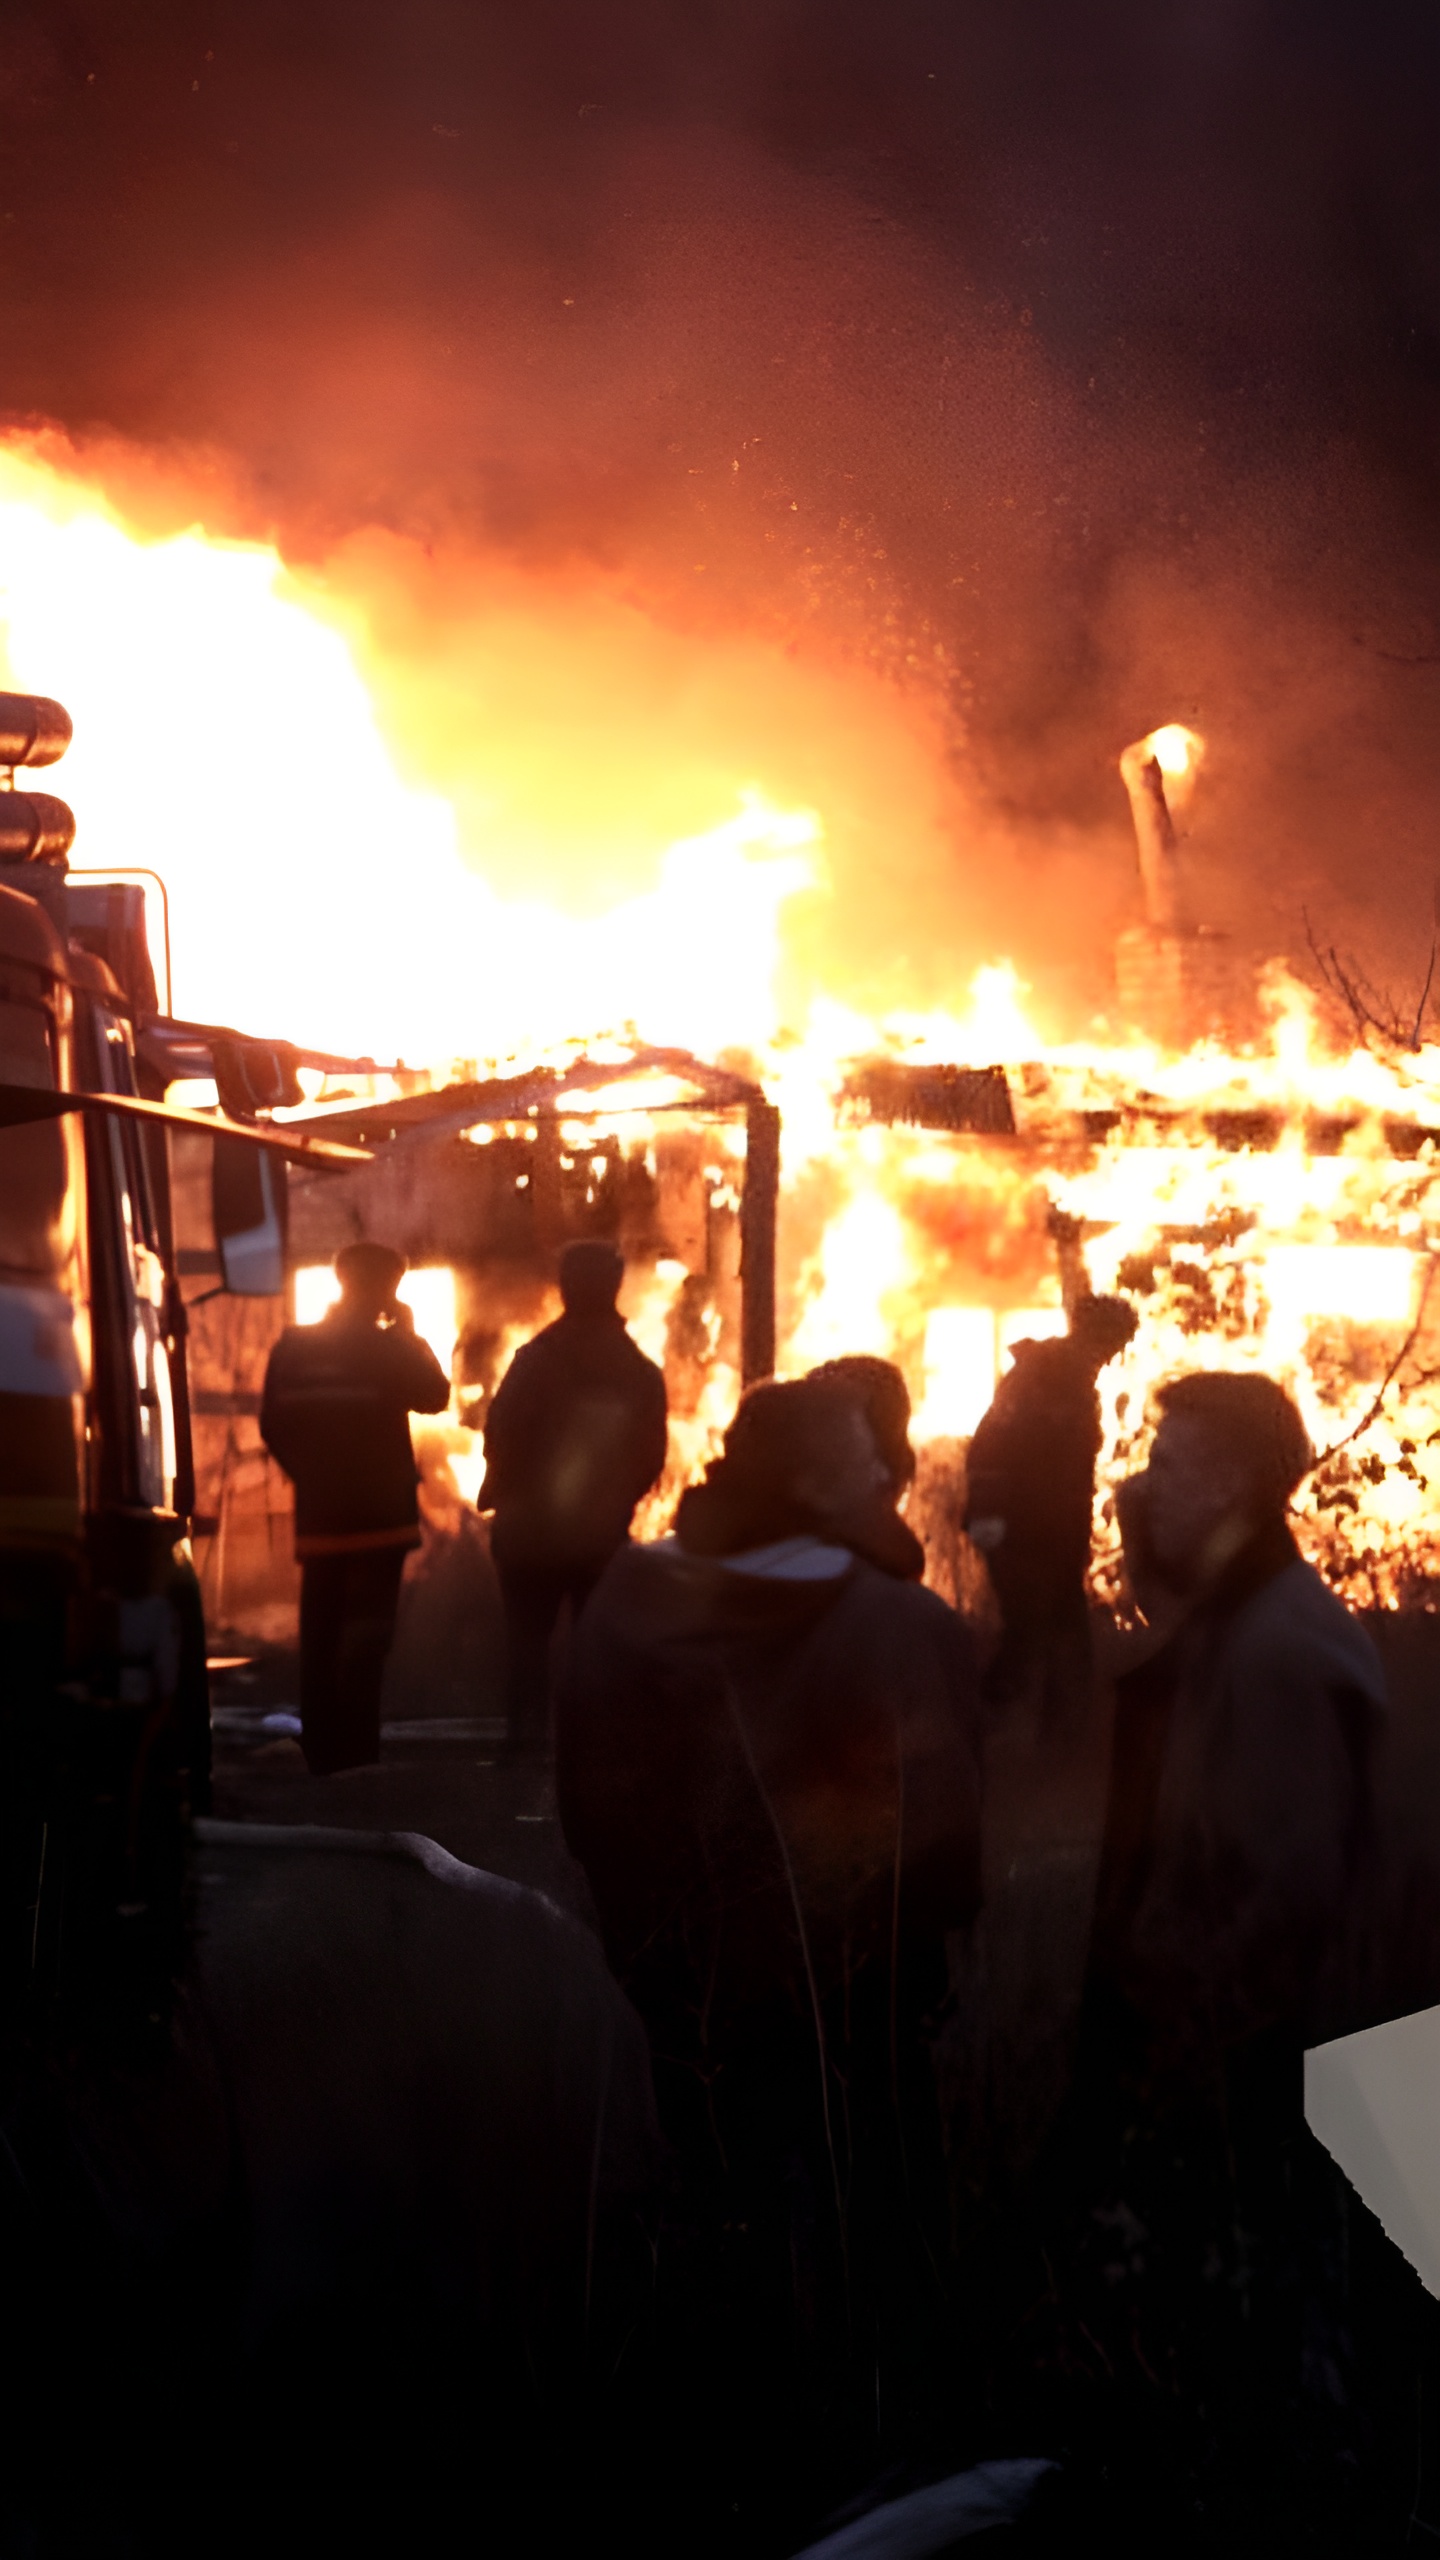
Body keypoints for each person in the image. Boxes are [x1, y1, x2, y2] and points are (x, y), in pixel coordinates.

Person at [556, 1377, 983, 2524]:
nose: (889, 1474)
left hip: (671, 1999)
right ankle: (878, 2449)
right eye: (865, 1462)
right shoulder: (907, 1630)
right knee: (872, 2235)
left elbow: (587, 1810)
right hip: (862, 2012)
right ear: (822, 1487)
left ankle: (688, 2445)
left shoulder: (627, 1600)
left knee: (696, 2214)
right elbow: (945, 1858)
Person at [1046, 1370, 1388, 2541]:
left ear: (1240, 1481)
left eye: (1172, 1457)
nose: (1146, 1476)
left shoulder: (1283, 1651)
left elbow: (1280, 1903)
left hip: (1264, 2094)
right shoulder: (1243, 1623)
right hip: (1249, 2087)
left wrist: (1177, 2059)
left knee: (1282, 2363)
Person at [260, 1241, 449, 1774]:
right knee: (366, 1636)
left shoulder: (294, 1347)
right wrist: (408, 1331)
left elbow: (273, 1425)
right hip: (381, 1524)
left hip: (322, 1522)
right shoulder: (389, 1348)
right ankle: (358, 1753)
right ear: (389, 1288)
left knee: (320, 1633)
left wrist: (313, 1480)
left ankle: (320, 1748)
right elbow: (436, 1394)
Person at [479, 1239, 668, 1756]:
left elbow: (500, 1433)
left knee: (527, 1644)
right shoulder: (638, 1372)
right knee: (597, 1645)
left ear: (566, 1287)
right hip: (598, 1536)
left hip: (528, 1533)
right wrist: (616, 1505)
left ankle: (524, 1741)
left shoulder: (534, 1361)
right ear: (615, 1285)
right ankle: (591, 1746)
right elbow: (650, 1455)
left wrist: (515, 1492)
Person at [964, 1292, 1138, 1695]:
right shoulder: (1044, 1381)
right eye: (1116, 1342)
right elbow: (994, 1446)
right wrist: (990, 1518)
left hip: (1049, 1533)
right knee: (1041, 1638)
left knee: (1043, 1637)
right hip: (1027, 1533)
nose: (1116, 1355)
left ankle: (1029, 1726)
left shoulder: (1066, 1380)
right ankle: (1015, 1726)